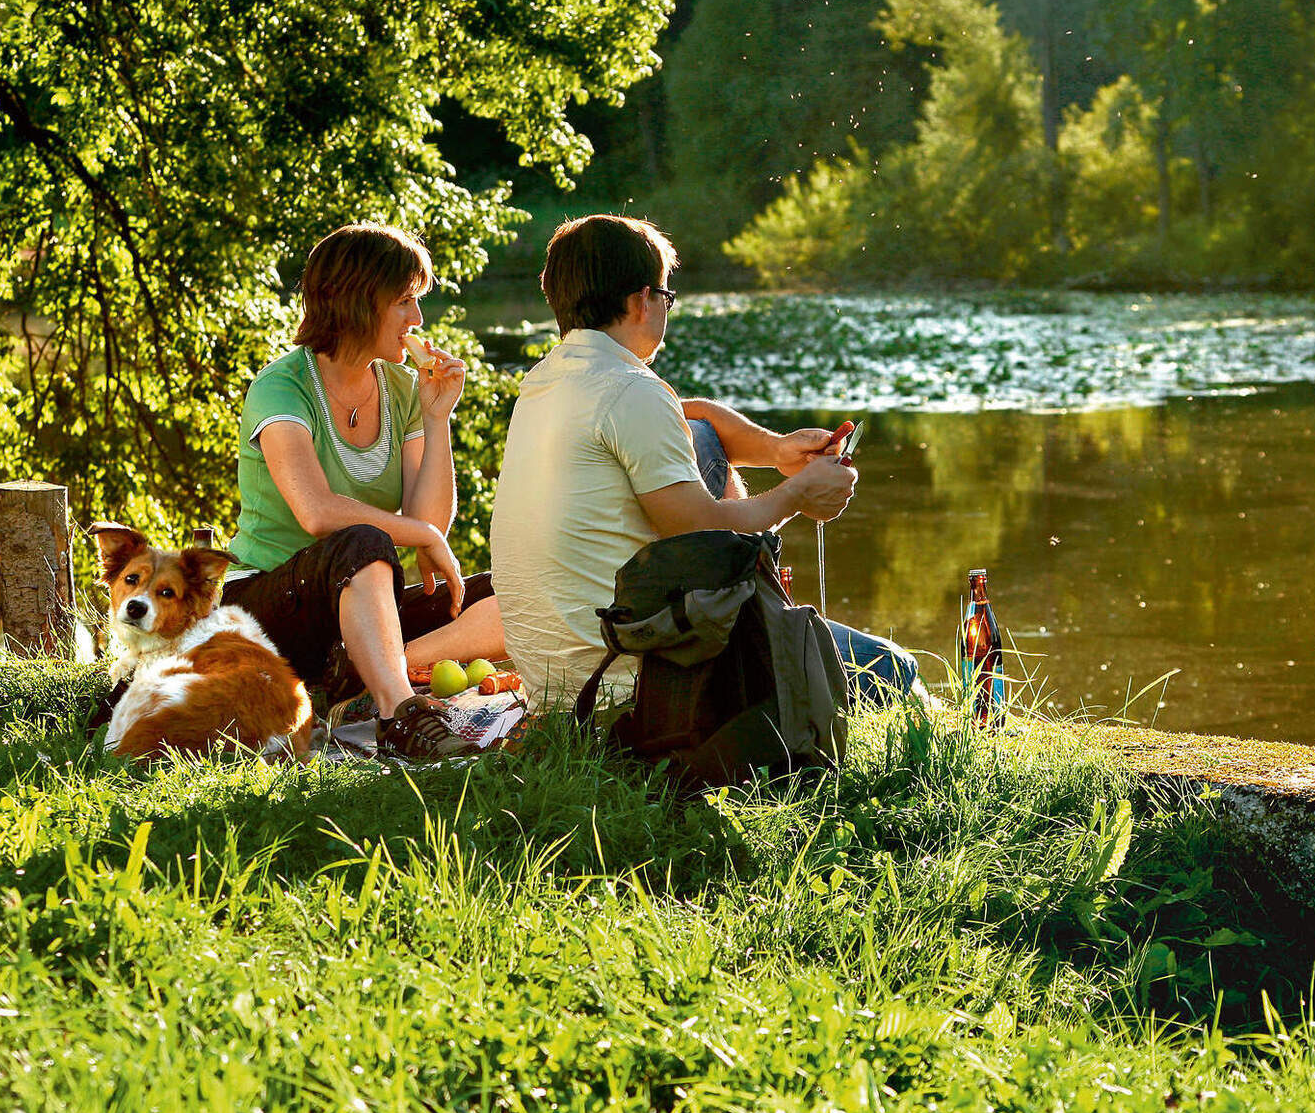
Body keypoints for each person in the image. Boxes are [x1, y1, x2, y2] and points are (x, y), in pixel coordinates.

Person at [491, 214, 919, 705]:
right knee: (893, 668)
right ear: (640, 301)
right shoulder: (629, 392)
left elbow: (686, 416)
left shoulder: (550, 381)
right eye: (666, 296)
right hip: (630, 685)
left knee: (698, 436)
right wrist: (798, 493)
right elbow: (705, 530)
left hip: (559, 681)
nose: (666, 309)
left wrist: (778, 449)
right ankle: (957, 743)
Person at [222, 223, 504, 758]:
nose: (417, 320)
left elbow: (430, 522)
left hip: (359, 612)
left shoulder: (401, 388)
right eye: (404, 301)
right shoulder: (282, 386)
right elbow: (317, 512)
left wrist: (437, 416)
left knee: (507, 593)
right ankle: (400, 714)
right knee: (362, 540)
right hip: (268, 606)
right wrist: (419, 533)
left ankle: (361, 681)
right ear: (354, 301)